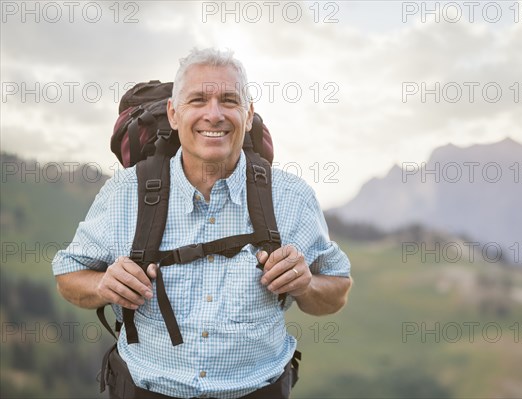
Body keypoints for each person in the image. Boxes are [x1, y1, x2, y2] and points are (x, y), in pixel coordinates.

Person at [52, 48, 352, 399]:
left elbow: (337, 290)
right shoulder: (124, 192)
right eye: (197, 100)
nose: (214, 114)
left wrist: (306, 286)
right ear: (174, 113)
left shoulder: (291, 197)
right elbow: (67, 276)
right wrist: (103, 284)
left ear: (249, 114)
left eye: (229, 100)